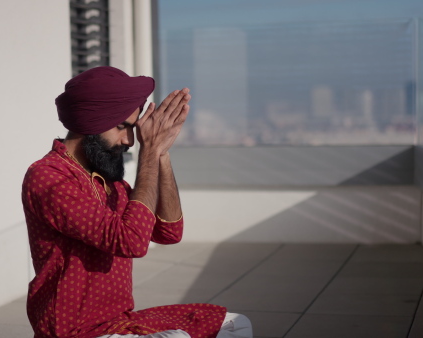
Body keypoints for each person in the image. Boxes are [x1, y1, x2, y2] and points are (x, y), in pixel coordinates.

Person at [21, 66, 252, 338]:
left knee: (234, 324)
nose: (130, 140)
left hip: (119, 323)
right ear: (91, 122)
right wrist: (149, 152)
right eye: (123, 127)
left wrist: (161, 153)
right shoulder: (48, 177)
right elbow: (130, 241)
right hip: (73, 331)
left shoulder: (110, 180)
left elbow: (169, 232)